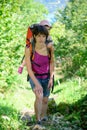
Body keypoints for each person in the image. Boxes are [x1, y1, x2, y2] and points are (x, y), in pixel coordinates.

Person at [25, 25, 54, 125]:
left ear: (46, 37)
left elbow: (52, 63)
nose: (41, 39)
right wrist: (37, 84)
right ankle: (38, 120)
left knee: (45, 99)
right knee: (39, 96)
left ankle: (43, 116)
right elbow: (28, 68)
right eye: (38, 36)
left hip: (47, 76)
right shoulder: (29, 48)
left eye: (43, 36)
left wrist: (51, 78)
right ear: (34, 36)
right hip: (35, 76)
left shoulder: (50, 48)